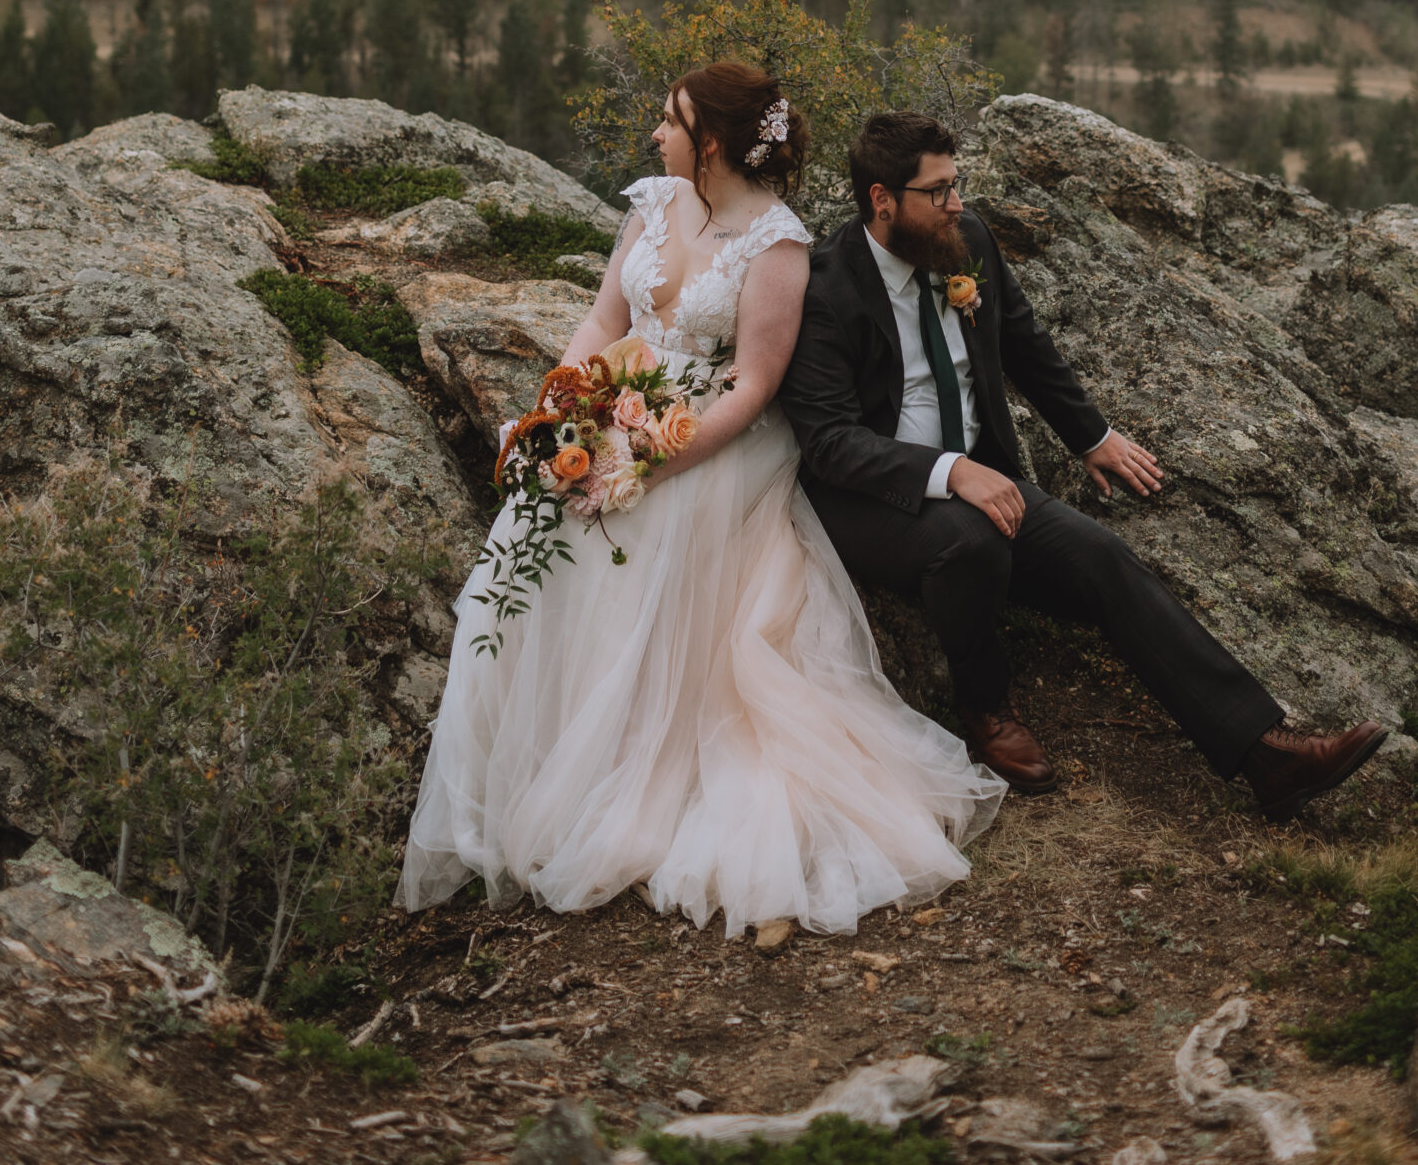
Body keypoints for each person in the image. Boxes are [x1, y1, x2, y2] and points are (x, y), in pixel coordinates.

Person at [397, 62, 1005, 934]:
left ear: (710, 142)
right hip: (616, 406)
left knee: (646, 539)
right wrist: (564, 412)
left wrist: (646, 466)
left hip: (714, 440)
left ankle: (630, 778)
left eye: (671, 122)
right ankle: (524, 773)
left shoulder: (778, 243)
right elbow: (606, 322)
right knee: (536, 547)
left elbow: (754, 387)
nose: (656, 135)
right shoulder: (652, 204)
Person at [780, 111, 1386, 818]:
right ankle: (984, 710)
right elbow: (828, 441)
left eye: (957, 185)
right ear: (883, 200)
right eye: (938, 191)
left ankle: (1265, 753)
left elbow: (1023, 341)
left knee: (1102, 557)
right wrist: (950, 473)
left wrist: (1089, 435)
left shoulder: (963, 241)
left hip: (980, 473)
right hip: (869, 497)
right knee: (969, 543)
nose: (958, 204)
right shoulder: (826, 288)